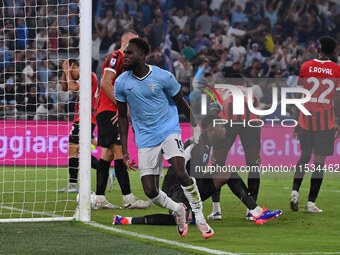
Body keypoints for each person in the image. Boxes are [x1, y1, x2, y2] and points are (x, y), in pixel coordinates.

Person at [115, 38, 213, 239]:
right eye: (124, 53)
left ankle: (201, 218)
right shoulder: (121, 83)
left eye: (129, 53)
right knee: (150, 191)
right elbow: (123, 117)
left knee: (180, 171)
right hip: (145, 138)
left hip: (169, 130)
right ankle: (178, 210)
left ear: (142, 56)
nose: (125, 57)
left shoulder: (163, 77)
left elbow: (182, 103)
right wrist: (125, 150)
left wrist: (196, 129)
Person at [112, 115, 282, 226]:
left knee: (227, 172)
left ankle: (256, 212)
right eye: (222, 125)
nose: (225, 129)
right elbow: (179, 168)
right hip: (175, 188)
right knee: (178, 218)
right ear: (211, 128)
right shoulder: (196, 143)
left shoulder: (207, 144)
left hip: (191, 186)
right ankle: (127, 220)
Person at [95, 30, 151, 209]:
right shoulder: (116, 55)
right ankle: (128, 199)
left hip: (107, 111)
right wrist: (123, 108)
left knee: (107, 154)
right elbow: (105, 82)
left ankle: (99, 198)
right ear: (123, 42)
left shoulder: (127, 64)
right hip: (110, 112)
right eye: (131, 42)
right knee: (119, 151)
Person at [290, 36, 340, 213]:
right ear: (333, 52)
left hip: (306, 120)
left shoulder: (305, 66)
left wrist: (297, 121)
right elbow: (338, 99)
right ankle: (311, 203)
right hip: (325, 122)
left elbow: (298, 95)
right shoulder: (336, 70)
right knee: (319, 163)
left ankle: (295, 191)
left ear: (318, 50)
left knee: (304, 157)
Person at [211, 73, 262, 221]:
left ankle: (216, 210)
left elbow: (213, 114)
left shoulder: (219, 91)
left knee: (217, 165)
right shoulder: (251, 92)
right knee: (253, 166)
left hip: (227, 120)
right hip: (251, 123)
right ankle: (251, 210)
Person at [58, 59, 99, 193]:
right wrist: (66, 72)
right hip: (80, 119)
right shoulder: (79, 77)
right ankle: (103, 171)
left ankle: (73, 185)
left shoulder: (89, 75)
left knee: (73, 150)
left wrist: (67, 71)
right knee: (77, 152)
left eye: (71, 70)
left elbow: (73, 87)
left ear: (75, 67)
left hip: (86, 118)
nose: (71, 74)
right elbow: (65, 87)